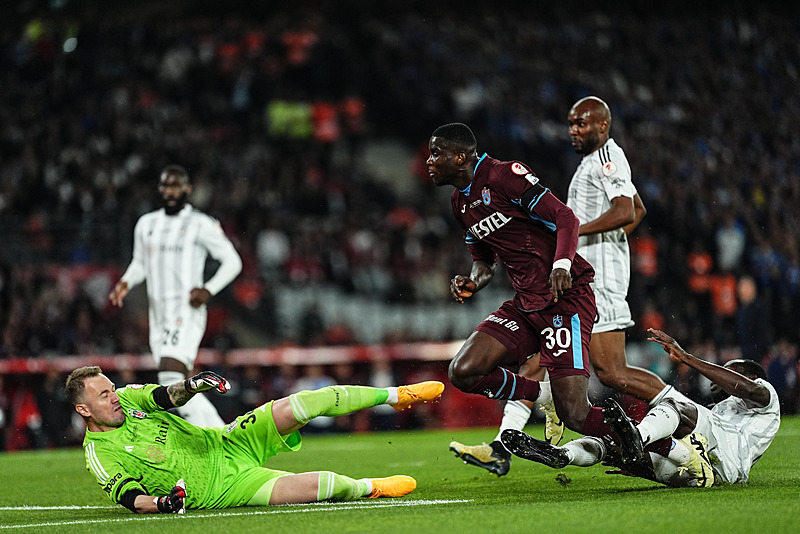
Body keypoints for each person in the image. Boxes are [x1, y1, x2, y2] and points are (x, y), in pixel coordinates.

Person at [450, 97, 675, 476]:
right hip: (553, 284)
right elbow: (638, 210)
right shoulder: (590, 163)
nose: (573, 130)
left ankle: (681, 417)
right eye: (571, 124)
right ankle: (503, 444)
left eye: (581, 124)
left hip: (584, 279)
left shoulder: (606, 159)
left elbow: (625, 211)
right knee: (544, 365)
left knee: (611, 372)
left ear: (602, 126)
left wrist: (566, 244)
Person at [428, 122, 636, 469]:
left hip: (565, 297)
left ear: (459, 156)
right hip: (525, 304)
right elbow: (483, 261)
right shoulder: (459, 203)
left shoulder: (505, 175)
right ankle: (542, 395)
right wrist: (473, 281)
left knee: (576, 414)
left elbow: (565, 217)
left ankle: (658, 444)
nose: (429, 161)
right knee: (463, 370)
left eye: (436, 153)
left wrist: (562, 264)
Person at [66, 365, 444, 513]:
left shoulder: (128, 398)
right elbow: (130, 498)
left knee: (304, 403)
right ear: (84, 411)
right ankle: (370, 487)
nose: (114, 396)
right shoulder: (100, 454)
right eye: (104, 395)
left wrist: (194, 385)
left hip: (224, 442)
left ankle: (398, 396)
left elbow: (165, 396)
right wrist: (163, 503)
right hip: (223, 488)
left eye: (112, 388)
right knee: (321, 485)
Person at [502, 328, 780, 488]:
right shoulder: (723, 412)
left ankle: (639, 435)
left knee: (676, 405)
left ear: (750, 375)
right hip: (709, 474)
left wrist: (686, 358)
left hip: (723, 455)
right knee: (615, 448)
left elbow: (743, 387)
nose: (718, 375)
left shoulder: (766, 395)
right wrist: (641, 468)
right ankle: (562, 455)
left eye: (729, 370)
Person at [109, 165, 242, 427]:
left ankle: (223, 436)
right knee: (174, 381)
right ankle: (223, 435)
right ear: (160, 189)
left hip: (186, 311)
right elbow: (140, 263)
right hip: (158, 315)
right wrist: (126, 281)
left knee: (170, 378)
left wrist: (208, 289)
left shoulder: (201, 224)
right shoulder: (146, 224)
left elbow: (232, 261)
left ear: (187, 189)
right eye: (166, 186)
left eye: (176, 185)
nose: (170, 191)